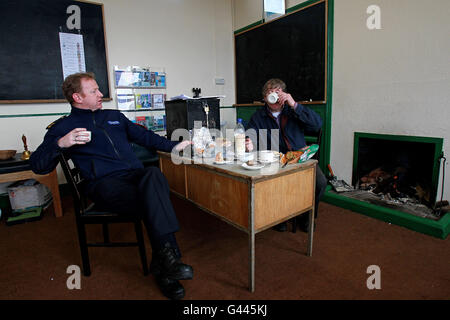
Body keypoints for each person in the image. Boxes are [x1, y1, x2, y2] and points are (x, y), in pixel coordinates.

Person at [30, 72, 192, 300]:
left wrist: (176, 146)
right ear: (77, 97)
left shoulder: (114, 116)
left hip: (135, 177)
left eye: (99, 89)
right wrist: (61, 143)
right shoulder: (64, 127)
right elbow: (38, 165)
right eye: (94, 91)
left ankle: (165, 263)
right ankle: (168, 263)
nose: (101, 94)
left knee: (153, 174)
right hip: (104, 185)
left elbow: (145, 137)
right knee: (153, 198)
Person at [245, 78, 327, 232]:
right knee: (266, 182)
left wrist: (294, 104)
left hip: (299, 157)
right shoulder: (258, 117)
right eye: (270, 93)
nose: (274, 95)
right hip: (275, 160)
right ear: (264, 98)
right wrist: (249, 143)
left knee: (320, 183)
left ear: (284, 94)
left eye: (278, 92)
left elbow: (317, 124)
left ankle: (306, 216)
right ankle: (279, 215)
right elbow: (250, 136)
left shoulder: (293, 111)